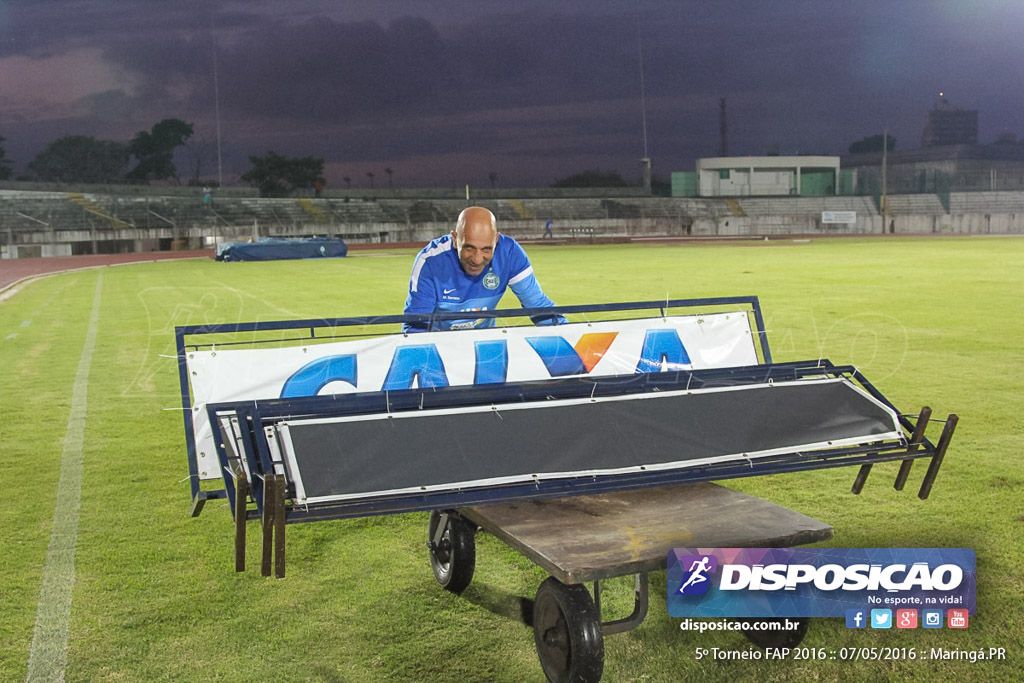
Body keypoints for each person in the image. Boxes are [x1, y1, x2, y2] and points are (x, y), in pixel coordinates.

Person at [403, 206, 565, 332]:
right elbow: (416, 327)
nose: (477, 259)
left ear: (496, 240)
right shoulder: (430, 261)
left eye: (487, 249)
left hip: (485, 347)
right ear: (455, 239)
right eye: (469, 248)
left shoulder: (510, 253)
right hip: (441, 347)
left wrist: (571, 339)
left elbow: (540, 308)